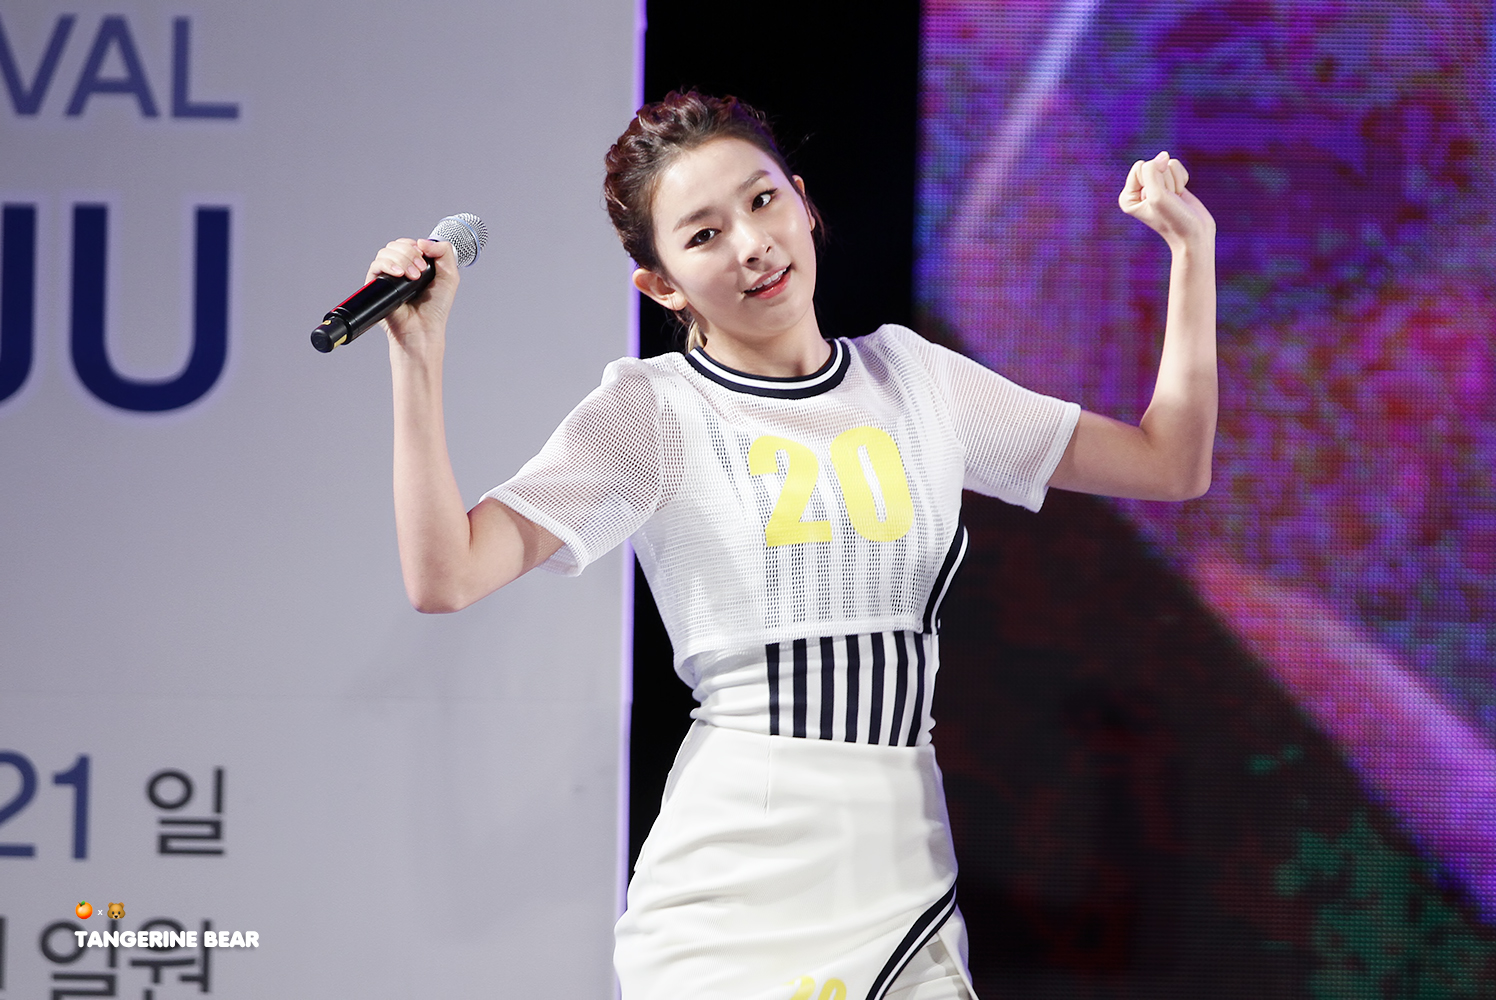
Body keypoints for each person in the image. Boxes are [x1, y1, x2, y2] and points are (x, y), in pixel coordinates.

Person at [368, 91, 1216, 1000]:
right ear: (661, 285)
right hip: (736, 886)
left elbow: (1168, 463)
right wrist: (417, 355)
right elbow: (446, 576)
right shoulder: (652, 413)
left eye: (763, 200)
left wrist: (1191, 253)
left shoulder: (915, 378)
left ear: (803, 203)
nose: (751, 244)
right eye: (703, 235)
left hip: (900, 868)